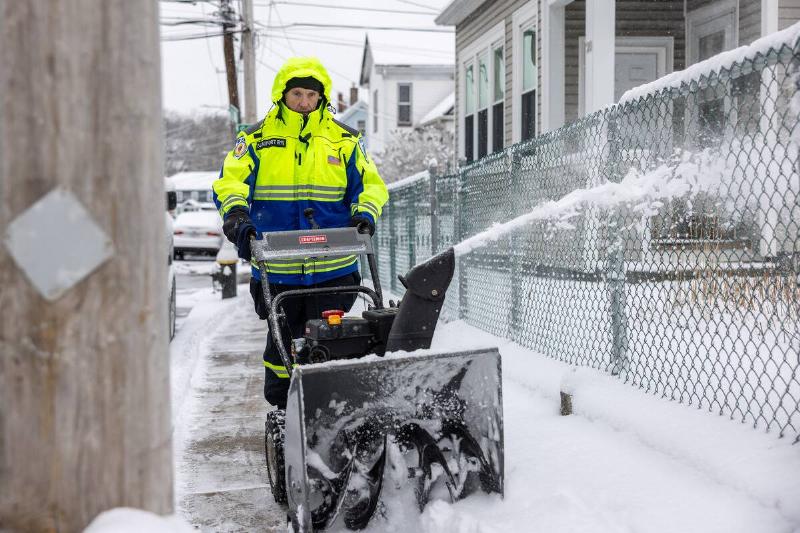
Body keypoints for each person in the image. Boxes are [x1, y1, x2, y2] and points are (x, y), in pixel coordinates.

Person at [212, 57, 388, 409]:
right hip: (278, 269)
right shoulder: (256, 139)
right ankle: (283, 410)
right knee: (283, 345)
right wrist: (237, 219)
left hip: (334, 268)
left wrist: (364, 214)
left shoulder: (345, 140)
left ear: (321, 98)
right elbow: (230, 183)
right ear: (283, 94)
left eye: (311, 94)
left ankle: (336, 406)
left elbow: (370, 186)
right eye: (297, 94)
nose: (305, 101)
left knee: (334, 340)